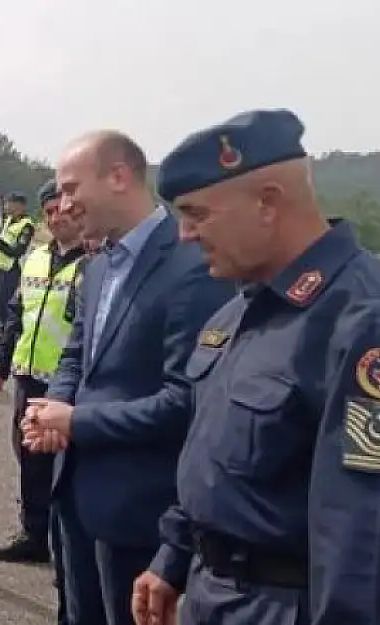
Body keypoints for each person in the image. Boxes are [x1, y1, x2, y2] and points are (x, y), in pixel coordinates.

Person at [131, 110, 380, 625]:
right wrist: (173, 557)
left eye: (197, 214)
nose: (184, 234)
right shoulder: (239, 309)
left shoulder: (360, 320)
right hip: (213, 591)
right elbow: (214, 454)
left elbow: (361, 532)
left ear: (267, 202)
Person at [21, 130, 234, 625]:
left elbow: (186, 400)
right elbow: (76, 355)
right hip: (73, 495)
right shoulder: (98, 267)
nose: (62, 203)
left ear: (119, 177)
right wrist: (49, 411)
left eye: (72, 188)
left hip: (139, 512)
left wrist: (77, 422)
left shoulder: (190, 268)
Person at [0, 178, 86, 567]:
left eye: (61, 209)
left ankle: (65, 540)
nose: (55, 218)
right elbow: (16, 314)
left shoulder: (95, 263)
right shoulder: (36, 258)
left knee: (64, 465)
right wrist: (0, 362)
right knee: (29, 456)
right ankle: (33, 534)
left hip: (69, 385)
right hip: (28, 375)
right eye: (48, 212)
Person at [0, 192, 35, 344]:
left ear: (19, 205)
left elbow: (18, 251)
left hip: (11, 269)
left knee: (5, 303)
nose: (5, 206)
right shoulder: (8, 220)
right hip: (0, 266)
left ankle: (6, 335)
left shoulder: (26, 225)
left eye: (8, 203)